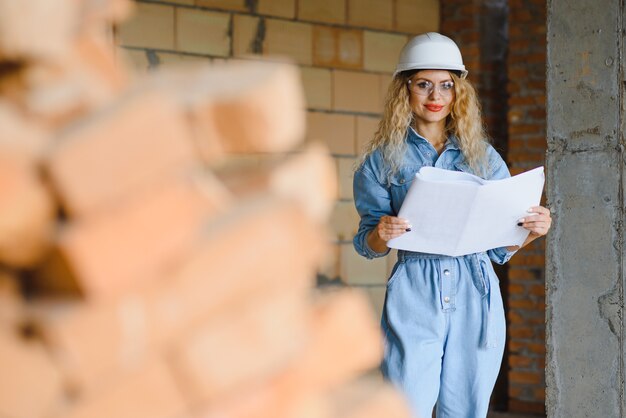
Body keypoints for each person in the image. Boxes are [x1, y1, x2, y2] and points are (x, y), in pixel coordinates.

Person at [352, 32, 552, 418]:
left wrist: (531, 230)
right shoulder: (381, 160)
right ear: (404, 90)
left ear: (458, 91)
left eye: (446, 85)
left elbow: (498, 249)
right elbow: (367, 244)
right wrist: (382, 234)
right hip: (415, 288)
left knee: (465, 411)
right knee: (404, 406)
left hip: (475, 289)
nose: (435, 96)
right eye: (423, 84)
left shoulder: (483, 157)